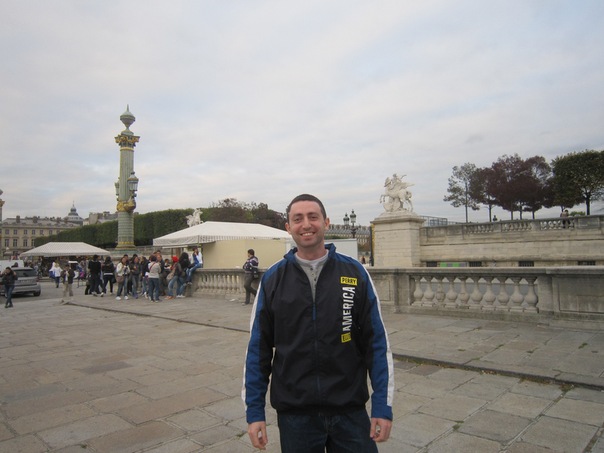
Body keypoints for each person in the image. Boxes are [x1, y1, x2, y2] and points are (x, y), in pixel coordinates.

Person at [243, 194, 394, 452]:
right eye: (297, 219)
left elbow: (377, 344)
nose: (306, 224)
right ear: (288, 227)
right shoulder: (273, 279)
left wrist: (382, 405)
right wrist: (254, 412)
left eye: (313, 217)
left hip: (349, 411)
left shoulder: (354, 272)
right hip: (295, 415)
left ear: (326, 222)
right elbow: (258, 351)